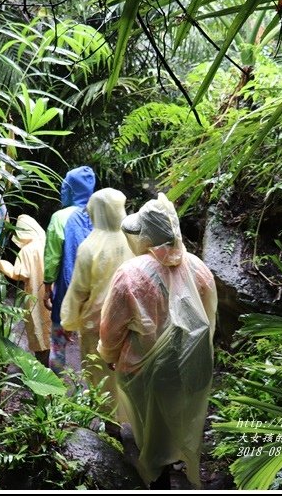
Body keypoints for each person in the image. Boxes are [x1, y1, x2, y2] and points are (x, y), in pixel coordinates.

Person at [98, 193, 218, 490]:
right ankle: (174, 457)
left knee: (149, 424)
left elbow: (111, 328)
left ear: (146, 237)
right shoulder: (198, 268)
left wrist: (109, 355)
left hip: (146, 370)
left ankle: (158, 474)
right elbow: (208, 318)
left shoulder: (131, 275)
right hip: (190, 366)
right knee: (176, 416)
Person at [60, 188, 134, 423]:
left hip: (97, 322)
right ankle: (132, 418)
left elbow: (79, 290)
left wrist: (69, 321)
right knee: (128, 368)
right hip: (132, 319)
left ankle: (109, 422)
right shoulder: (135, 240)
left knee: (99, 371)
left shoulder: (90, 246)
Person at [43, 166, 96, 374]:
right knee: (92, 341)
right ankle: (94, 391)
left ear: (72, 189)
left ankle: (55, 388)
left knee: (58, 341)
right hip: (95, 289)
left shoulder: (60, 217)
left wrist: (47, 286)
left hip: (67, 288)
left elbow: (52, 256)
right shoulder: (100, 213)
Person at [0, 215, 52, 367]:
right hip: (51, 295)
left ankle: (42, 369)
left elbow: (19, 274)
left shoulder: (27, 250)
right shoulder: (47, 243)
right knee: (51, 329)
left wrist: (2, 264)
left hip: (35, 295)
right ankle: (56, 371)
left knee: (38, 329)